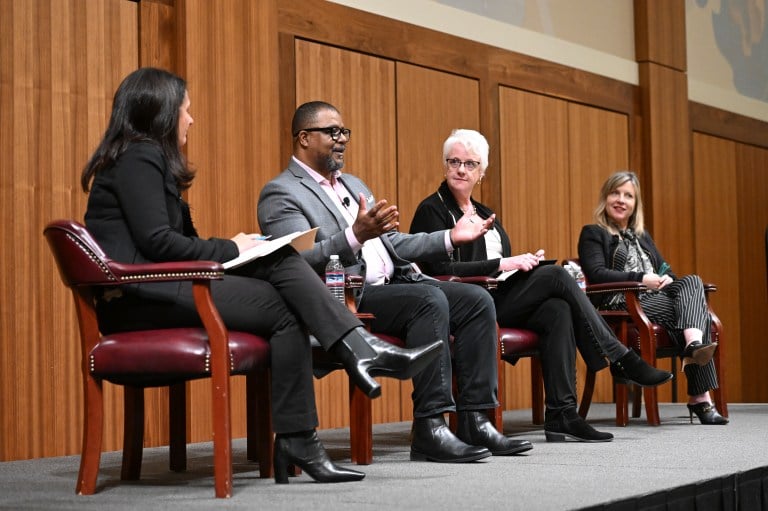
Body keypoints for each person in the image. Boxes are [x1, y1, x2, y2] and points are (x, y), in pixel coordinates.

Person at [80, 68, 444, 485]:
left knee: (282, 270)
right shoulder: (139, 156)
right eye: (186, 110)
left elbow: (168, 243)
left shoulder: (138, 158)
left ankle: (306, 428)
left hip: (163, 287)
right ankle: (351, 362)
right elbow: (160, 243)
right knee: (284, 290)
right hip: (140, 299)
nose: (191, 120)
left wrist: (246, 248)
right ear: (161, 112)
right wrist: (235, 248)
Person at [258, 101, 533, 463]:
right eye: (333, 132)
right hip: (344, 296)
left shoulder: (353, 184)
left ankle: (474, 418)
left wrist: (451, 237)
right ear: (304, 137)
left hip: (392, 284)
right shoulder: (281, 193)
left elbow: (395, 243)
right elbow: (297, 262)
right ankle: (430, 427)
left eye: (345, 132)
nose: (342, 140)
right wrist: (354, 235)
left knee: (475, 300)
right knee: (428, 299)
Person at [409, 129, 675, 442]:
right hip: (467, 304)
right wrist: (504, 265)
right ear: (444, 166)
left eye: (470, 164)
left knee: (557, 309)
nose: (461, 169)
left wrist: (523, 264)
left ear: (482, 171)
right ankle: (620, 357)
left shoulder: (484, 213)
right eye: (454, 162)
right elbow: (438, 269)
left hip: (499, 294)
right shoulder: (432, 209)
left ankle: (562, 414)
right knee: (558, 276)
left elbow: (500, 264)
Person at [578, 171, 728, 425]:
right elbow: (597, 274)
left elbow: (664, 269)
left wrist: (667, 278)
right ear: (605, 197)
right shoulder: (594, 233)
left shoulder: (642, 236)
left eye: (628, 196)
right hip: (623, 300)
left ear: (635, 204)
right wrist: (641, 278)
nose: (621, 200)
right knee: (695, 311)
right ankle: (700, 397)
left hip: (655, 298)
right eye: (616, 193)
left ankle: (693, 346)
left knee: (692, 281)